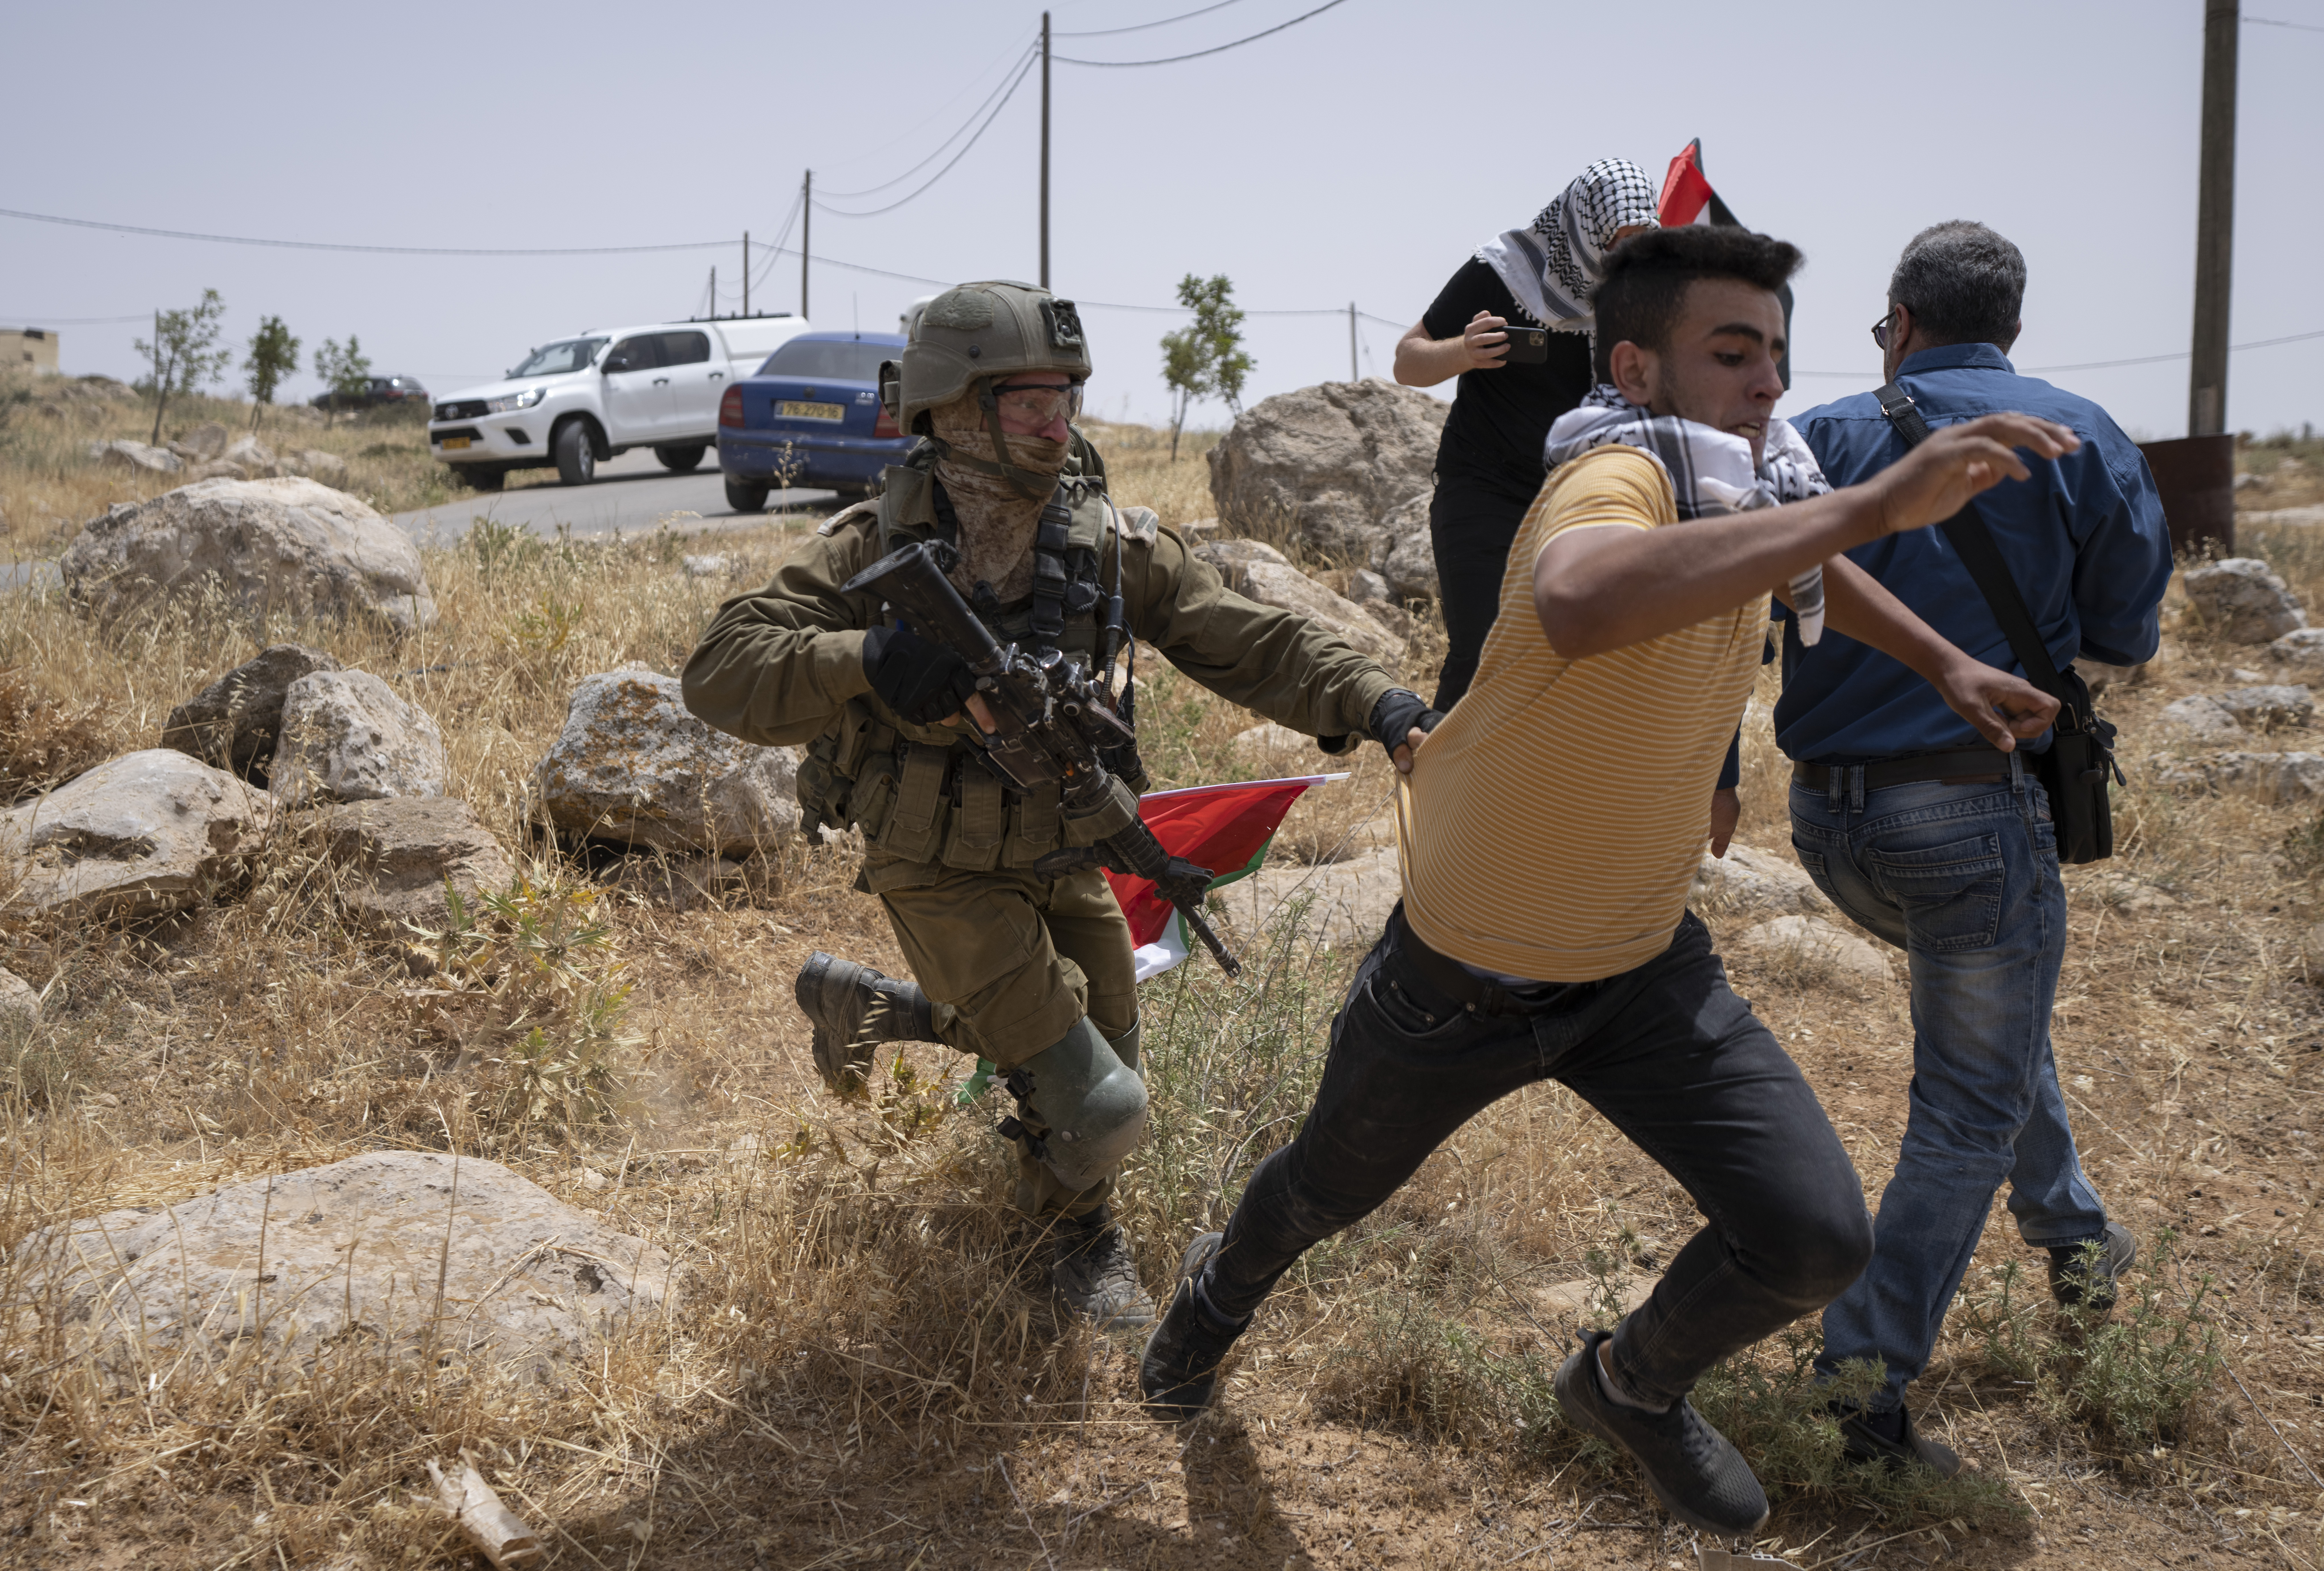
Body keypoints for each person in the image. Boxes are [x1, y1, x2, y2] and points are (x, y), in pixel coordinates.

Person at [1138, 226, 2081, 1537]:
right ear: (1635, 372)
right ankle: (1216, 1299)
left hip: (1642, 969)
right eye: (1732, 352)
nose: (1768, 382)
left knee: (1816, 1241)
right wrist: (1871, 500)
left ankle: (1630, 1385)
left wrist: (1946, 667)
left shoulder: (1743, 493)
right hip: (1461, 978)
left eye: (1779, 354)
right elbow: (1581, 600)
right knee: (1320, 1191)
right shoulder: (1610, 477)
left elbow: (1815, 569)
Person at [681, 280, 1439, 1329]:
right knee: (1102, 1104)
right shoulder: (867, 547)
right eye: (1026, 401)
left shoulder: (1107, 543)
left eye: (1064, 398)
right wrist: (867, 659)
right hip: (933, 864)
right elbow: (720, 668)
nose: (1056, 422)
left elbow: (1247, 636)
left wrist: (1381, 701)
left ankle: (882, 1012)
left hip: (1063, 847)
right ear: (950, 409)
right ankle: (1075, 1246)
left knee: (1092, 1062)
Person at [1777, 221, 2172, 1475]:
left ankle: (2073, 1234)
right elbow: (2128, 633)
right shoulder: (2080, 434)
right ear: (2013, 322)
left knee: (1993, 1021)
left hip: (1827, 821)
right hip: (1969, 810)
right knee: (1966, 1099)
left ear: (1899, 315)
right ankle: (1860, 1388)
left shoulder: (1827, 435)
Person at [1394, 157, 1659, 710]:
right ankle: (1439, 789)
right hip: (1483, 491)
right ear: (1584, 230)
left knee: (1580, 665)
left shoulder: (1643, 296)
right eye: (1617, 242)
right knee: (1483, 653)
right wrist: (1463, 352)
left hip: (1579, 502)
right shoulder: (1502, 272)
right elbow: (1408, 363)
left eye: (1641, 241)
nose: (1627, 258)